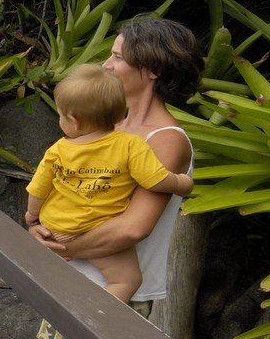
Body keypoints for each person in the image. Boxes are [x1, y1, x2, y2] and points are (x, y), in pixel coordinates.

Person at [29, 17, 204, 339]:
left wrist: (61, 245)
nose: (106, 64)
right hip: (75, 283)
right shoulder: (106, 125)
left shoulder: (166, 139)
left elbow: (133, 228)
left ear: (151, 70)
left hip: (116, 293)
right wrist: (38, 231)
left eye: (118, 56)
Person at [24, 64, 194, 304]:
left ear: (74, 121)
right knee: (127, 281)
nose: (107, 63)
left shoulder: (58, 149)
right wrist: (181, 183)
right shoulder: (130, 145)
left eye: (117, 56)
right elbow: (155, 180)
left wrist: (33, 218)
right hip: (92, 228)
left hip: (55, 228)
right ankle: (98, 316)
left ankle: (85, 318)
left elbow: (38, 188)